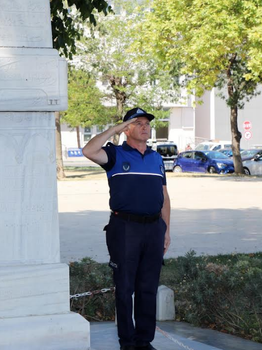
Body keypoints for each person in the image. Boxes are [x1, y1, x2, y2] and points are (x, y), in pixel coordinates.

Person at [82, 107, 171, 350]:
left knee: (148, 288)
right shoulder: (114, 154)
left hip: (154, 228)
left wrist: (167, 230)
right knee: (124, 288)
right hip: (124, 229)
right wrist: (115, 129)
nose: (145, 127)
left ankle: (144, 341)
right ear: (127, 129)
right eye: (138, 123)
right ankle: (127, 342)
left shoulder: (156, 158)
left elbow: (164, 195)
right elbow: (88, 150)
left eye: (147, 123)